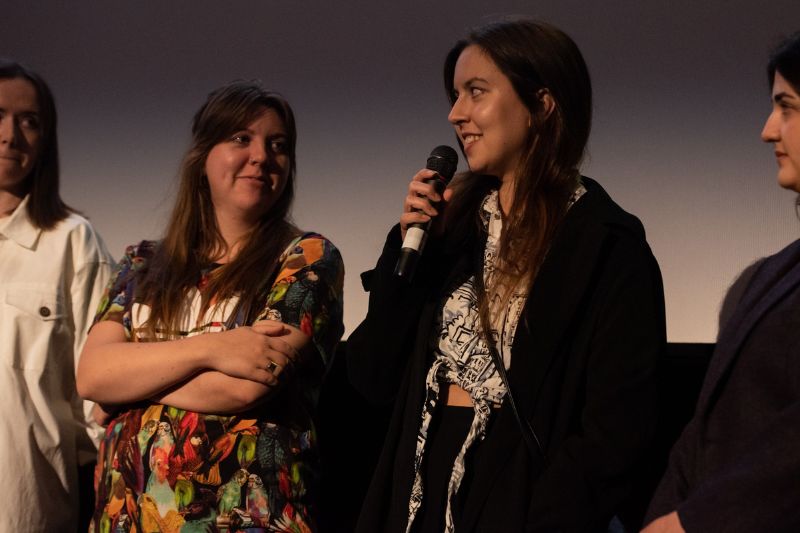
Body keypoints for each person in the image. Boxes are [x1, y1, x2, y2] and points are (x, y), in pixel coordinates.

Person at [347, 19, 666, 533]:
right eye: (454, 95)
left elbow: (620, 427)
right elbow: (370, 377)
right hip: (418, 488)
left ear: (542, 104)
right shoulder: (446, 228)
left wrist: (541, 512)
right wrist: (402, 255)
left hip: (522, 496)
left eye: (476, 92)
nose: (456, 115)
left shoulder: (605, 245)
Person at [76, 81, 344, 532]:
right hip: (127, 519)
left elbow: (246, 387)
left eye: (278, 146)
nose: (262, 156)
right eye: (242, 139)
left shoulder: (306, 257)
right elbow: (91, 374)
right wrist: (213, 349)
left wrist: (126, 388)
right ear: (202, 156)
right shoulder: (141, 263)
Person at [642, 31, 800, 533]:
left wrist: (696, 521)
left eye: (787, 107)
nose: (769, 130)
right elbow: (702, 432)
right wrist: (666, 517)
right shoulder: (766, 275)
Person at [0, 60, 114, 531]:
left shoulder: (72, 240)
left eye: (29, 121)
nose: (10, 135)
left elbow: (99, 398)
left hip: (29, 506)